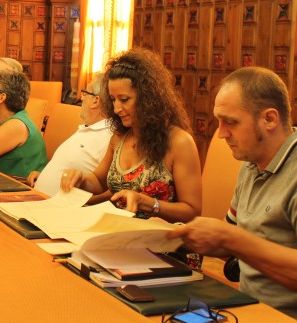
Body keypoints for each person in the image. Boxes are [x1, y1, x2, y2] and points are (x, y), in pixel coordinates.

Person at [167, 67, 297, 323]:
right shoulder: (251, 164)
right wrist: (175, 236)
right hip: (249, 310)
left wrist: (230, 238)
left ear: (269, 119)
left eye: (231, 122)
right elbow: (231, 240)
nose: (221, 133)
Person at [60, 48, 202, 223]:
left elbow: (192, 210)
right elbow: (98, 181)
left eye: (124, 99)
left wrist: (151, 204)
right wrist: (81, 179)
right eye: (113, 99)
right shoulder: (120, 137)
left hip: (159, 241)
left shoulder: (179, 142)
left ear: (148, 98)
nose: (116, 108)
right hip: (117, 232)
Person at [28, 73, 112, 197]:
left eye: (85, 93)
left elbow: (107, 189)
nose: (81, 98)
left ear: (95, 101)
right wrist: (44, 175)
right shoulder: (87, 128)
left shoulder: (108, 137)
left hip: (57, 208)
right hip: (35, 195)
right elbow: (70, 164)